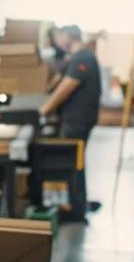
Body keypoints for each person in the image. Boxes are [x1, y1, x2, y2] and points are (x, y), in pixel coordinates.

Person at [39, 24, 103, 214]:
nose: (57, 41)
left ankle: (75, 208)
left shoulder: (84, 57)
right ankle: (78, 203)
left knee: (73, 162)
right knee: (76, 161)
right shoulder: (76, 59)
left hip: (78, 120)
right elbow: (59, 81)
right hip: (76, 119)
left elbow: (67, 87)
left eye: (59, 36)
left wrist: (43, 111)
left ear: (68, 37)